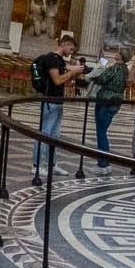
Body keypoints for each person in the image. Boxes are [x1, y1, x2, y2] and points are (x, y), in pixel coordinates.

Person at [29, 34, 81, 186]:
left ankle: (52, 164)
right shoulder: (51, 58)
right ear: (64, 44)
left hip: (58, 101)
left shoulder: (59, 61)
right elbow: (57, 80)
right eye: (70, 48)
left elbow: (61, 80)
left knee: (55, 136)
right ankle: (36, 166)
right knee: (44, 134)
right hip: (49, 101)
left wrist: (70, 75)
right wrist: (72, 72)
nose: (71, 52)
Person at [88, 48, 127, 172]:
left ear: (120, 56)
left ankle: (103, 164)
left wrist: (94, 73)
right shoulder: (125, 69)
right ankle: (105, 162)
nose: (116, 53)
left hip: (105, 101)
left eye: (118, 52)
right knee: (103, 131)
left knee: (101, 133)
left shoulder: (114, 68)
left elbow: (102, 79)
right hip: (116, 103)